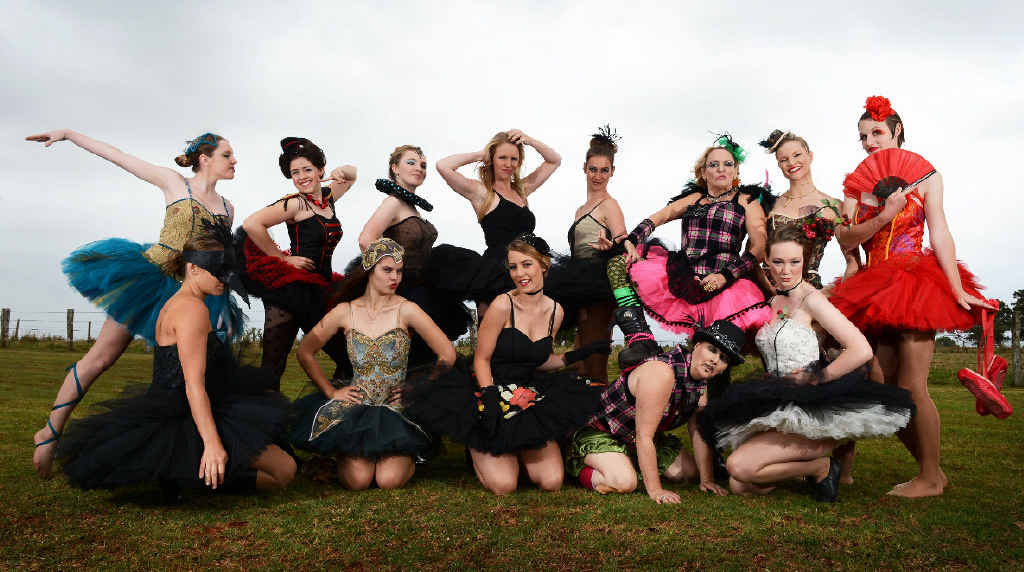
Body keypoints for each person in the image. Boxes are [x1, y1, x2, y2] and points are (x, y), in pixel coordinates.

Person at [26, 129, 244, 479]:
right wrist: (68, 135)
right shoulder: (175, 184)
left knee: (198, 373)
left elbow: (216, 259)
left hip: (192, 293)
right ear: (205, 159)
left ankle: (192, 448)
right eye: (227, 155)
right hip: (150, 282)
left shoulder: (228, 208)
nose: (234, 161)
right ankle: (50, 432)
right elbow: (118, 156)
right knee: (102, 357)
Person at [830, 95, 992, 497]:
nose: (869, 143)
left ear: (897, 130)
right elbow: (845, 237)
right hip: (871, 289)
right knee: (882, 387)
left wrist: (955, 287)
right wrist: (884, 214)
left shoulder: (927, 177)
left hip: (913, 284)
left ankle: (929, 477)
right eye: (862, 137)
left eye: (876, 133)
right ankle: (930, 470)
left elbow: (940, 232)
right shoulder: (858, 184)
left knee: (912, 386)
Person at [57, 227, 295, 493]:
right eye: (218, 272)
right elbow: (194, 386)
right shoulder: (193, 311)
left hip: (180, 405)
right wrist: (212, 444)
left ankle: (186, 472)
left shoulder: (176, 302)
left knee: (281, 458)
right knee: (284, 472)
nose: (225, 281)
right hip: (184, 415)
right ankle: (190, 475)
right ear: (194, 269)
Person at [697, 227, 914, 502]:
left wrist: (819, 377)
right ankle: (806, 468)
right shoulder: (773, 301)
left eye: (794, 262)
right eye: (778, 262)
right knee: (740, 485)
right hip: (776, 401)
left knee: (739, 467)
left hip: (810, 408)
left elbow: (861, 349)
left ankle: (821, 466)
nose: (786, 270)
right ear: (767, 263)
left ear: (805, 261)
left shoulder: (812, 300)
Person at [407, 235, 609, 495]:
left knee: (551, 482)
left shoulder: (555, 311)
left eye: (526, 264)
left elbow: (542, 360)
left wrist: (579, 354)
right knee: (504, 485)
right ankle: (478, 446)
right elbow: (481, 359)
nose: (519, 274)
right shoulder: (502, 304)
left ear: (544, 265)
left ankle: (515, 453)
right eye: (513, 267)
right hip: (490, 392)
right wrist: (490, 398)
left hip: (527, 395)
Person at [289, 238, 457, 490]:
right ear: (369, 269)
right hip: (357, 407)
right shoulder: (345, 311)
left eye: (399, 271)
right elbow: (305, 352)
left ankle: (409, 455)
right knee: (358, 481)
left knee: (389, 480)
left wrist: (418, 388)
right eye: (387, 270)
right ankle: (340, 457)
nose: (395, 277)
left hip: (396, 408)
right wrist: (331, 392)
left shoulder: (407, 310)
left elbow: (448, 355)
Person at [612, 134, 772, 368]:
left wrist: (725, 276)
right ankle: (641, 339)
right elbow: (658, 217)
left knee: (717, 348)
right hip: (685, 277)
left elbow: (758, 247)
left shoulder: (745, 201)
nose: (721, 169)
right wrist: (632, 239)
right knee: (617, 263)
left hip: (725, 282)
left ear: (736, 171)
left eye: (728, 164)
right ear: (703, 172)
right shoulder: (695, 198)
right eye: (713, 164)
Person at [566, 318, 744, 503]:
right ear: (697, 345)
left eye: (723, 358)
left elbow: (697, 429)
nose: (715, 360)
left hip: (635, 438)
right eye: (712, 350)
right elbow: (644, 436)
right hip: (603, 432)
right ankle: (576, 467)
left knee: (687, 473)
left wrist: (706, 479)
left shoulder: (700, 383)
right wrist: (656, 490)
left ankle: (626, 461)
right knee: (624, 482)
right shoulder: (662, 372)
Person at [239, 137, 356, 384]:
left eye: (307, 169)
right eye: (295, 172)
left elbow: (352, 175)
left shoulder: (328, 198)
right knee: (272, 368)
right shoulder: (294, 204)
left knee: (347, 357)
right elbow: (251, 224)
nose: (302, 177)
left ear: (320, 170)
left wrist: (342, 171)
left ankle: (341, 400)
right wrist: (282, 258)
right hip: (293, 290)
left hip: (322, 288)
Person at [354, 145, 471, 366]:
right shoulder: (393, 202)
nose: (419, 168)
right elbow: (366, 240)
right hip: (404, 288)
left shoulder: (412, 207)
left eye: (423, 165)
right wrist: (388, 278)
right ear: (395, 168)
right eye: (411, 162)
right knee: (415, 357)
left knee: (427, 356)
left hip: (424, 287)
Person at [430, 130, 561, 319]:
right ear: (492, 159)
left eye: (514, 159)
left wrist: (529, 140)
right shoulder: (481, 192)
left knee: (528, 326)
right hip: (496, 272)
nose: (508, 164)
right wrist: (480, 155)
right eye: (502, 157)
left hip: (526, 267)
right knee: (496, 328)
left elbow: (554, 160)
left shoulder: (522, 190)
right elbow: (443, 166)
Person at [547, 126, 627, 382]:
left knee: (594, 356)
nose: (598, 176)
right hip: (578, 286)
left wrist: (611, 246)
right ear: (584, 169)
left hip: (600, 286)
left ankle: (601, 399)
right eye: (593, 169)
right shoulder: (580, 209)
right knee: (580, 361)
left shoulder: (610, 205)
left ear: (612, 172)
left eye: (604, 170)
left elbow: (623, 239)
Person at [757, 129, 858, 288]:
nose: (791, 163)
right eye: (784, 159)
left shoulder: (834, 205)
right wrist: (771, 293)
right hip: (767, 294)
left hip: (809, 295)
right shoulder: (770, 205)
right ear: (779, 165)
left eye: (797, 155)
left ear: (810, 156)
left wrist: (827, 296)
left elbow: (853, 263)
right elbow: (753, 257)